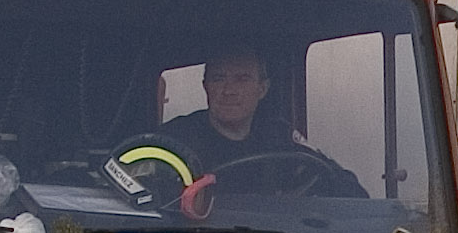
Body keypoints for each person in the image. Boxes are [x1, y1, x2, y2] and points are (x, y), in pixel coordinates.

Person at [140, 40, 366, 200]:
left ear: (262, 88)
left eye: (242, 79)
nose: (229, 91)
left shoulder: (280, 136)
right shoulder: (172, 141)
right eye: (219, 79)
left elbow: (343, 186)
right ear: (205, 86)